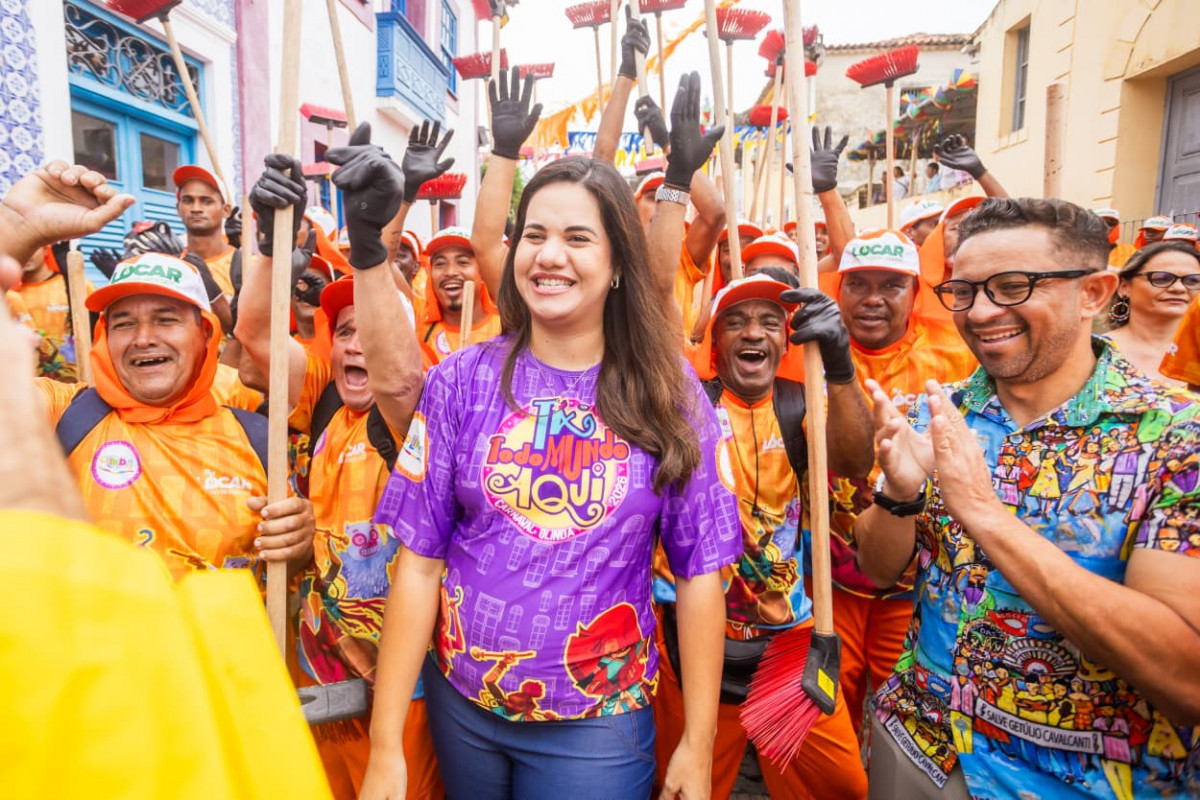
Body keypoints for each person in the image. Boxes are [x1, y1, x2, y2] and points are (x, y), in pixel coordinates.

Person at [360, 153, 742, 800]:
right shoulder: (460, 380)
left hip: (598, 726)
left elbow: (701, 572)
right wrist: (386, 745)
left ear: (619, 262)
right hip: (463, 707)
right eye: (534, 235)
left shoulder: (668, 393)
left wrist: (698, 745)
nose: (549, 256)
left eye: (577, 238)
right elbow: (420, 562)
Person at [856, 198, 1200, 799]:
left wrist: (986, 516)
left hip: (1089, 778)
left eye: (1012, 287)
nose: (981, 312)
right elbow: (878, 569)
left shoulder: (1177, 436)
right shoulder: (938, 413)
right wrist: (901, 497)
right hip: (921, 749)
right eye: (963, 291)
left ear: (1094, 291)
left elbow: (1186, 675)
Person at [0, 258, 331, 800]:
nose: (143, 338)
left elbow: (292, 580)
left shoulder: (257, 434)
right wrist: (14, 232)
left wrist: (299, 544)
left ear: (205, 334)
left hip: (230, 717)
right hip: (91, 716)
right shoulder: (63, 412)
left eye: (165, 318)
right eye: (123, 322)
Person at [237, 122, 440, 800]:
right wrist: (269, 244)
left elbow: (399, 378)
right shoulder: (322, 397)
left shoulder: (428, 411)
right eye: (344, 330)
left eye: (373, 331)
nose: (358, 345)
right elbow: (256, 334)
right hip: (317, 680)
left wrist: (381, 223)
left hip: (407, 695)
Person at [661, 273, 875, 798]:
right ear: (715, 347)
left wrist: (841, 366)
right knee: (682, 787)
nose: (752, 333)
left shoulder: (805, 404)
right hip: (688, 642)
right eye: (735, 322)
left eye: (769, 323)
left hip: (787, 643)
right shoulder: (683, 405)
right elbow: (653, 286)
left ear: (786, 341)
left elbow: (854, 461)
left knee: (841, 787)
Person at [822, 230, 978, 743]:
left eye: (891, 285)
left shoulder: (958, 357)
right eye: (858, 284)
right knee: (829, 708)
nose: (872, 298)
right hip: (829, 573)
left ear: (916, 292)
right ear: (837, 290)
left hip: (918, 582)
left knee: (906, 713)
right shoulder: (802, 351)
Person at [1105, 242, 1200, 383]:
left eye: (1193, 280)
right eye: (1161, 278)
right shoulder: (1092, 352)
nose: (1179, 288)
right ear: (1124, 287)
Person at [419, 226, 502, 367]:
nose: (450, 272)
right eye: (440, 264)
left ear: (482, 272)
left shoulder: (506, 327)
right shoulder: (420, 331)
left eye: (463, 262)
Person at [18, 243, 94, 382]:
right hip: (32, 393)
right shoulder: (8, 296)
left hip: (80, 390)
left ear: (46, 250)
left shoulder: (77, 285)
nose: (26, 253)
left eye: (32, 247)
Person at [174, 164, 238, 299]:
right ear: (178, 209)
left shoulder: (247, 265)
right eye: (188, 201)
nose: (196, 208)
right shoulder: (171, 268)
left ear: (226, 210)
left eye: (207, 201)